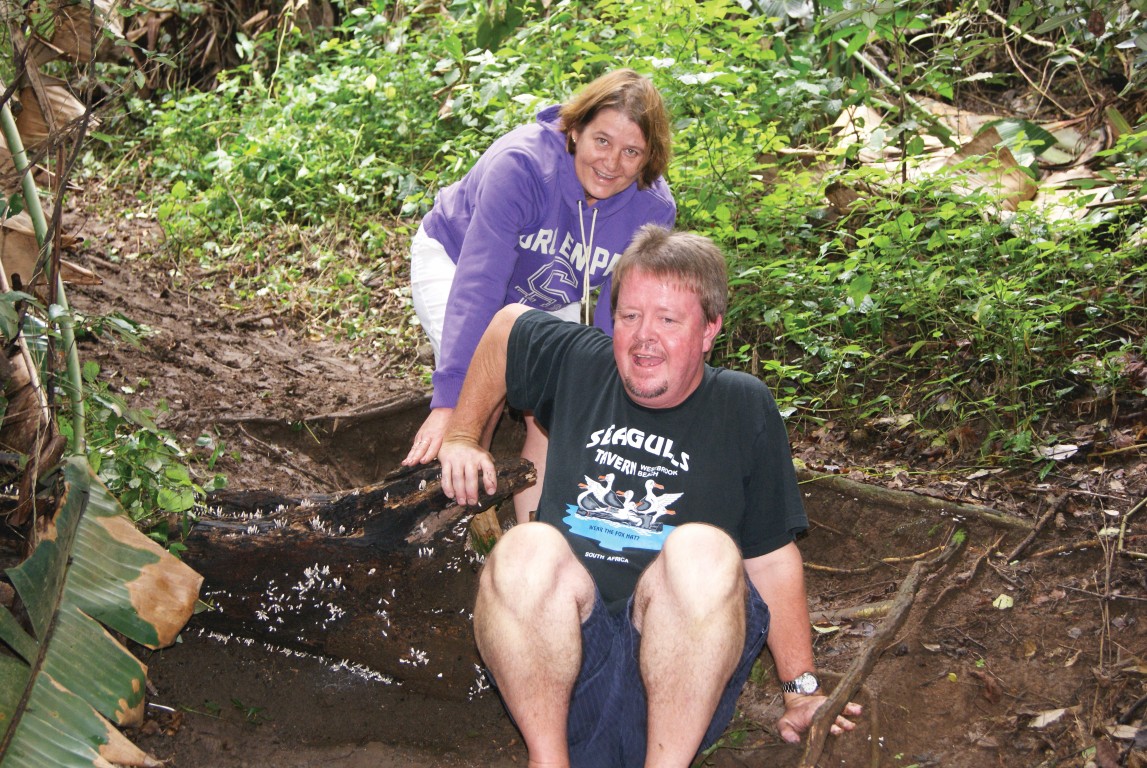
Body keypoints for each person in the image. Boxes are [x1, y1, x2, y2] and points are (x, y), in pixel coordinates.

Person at [437, 225, 861, 767]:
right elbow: (505, 329)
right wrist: (462, 435)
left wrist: (801, 690)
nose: (644, 337)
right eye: (630, 316)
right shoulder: (580, 363)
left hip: (683, 678)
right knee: (525, 547)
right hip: (558, 671)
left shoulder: (742, 406)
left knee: (703, 548)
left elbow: (772, 558)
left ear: (709, 330)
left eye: (668, 320)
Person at [401, 68, 676, 518]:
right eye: (602, 141)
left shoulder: (652, 208)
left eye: (631, 152)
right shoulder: (523, 167)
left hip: (546, 293)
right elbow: (480, 283)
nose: (612, 163)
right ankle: (467, 516)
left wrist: (608, 398)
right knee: (486, 382)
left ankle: (538, 528)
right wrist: (450, 402)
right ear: (575, 129)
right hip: (454, 258)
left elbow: (620, 312)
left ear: (648, 159)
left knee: (556, 400)